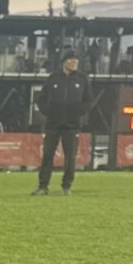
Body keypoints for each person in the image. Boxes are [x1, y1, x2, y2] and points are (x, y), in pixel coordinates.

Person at [36, 52, 96, 195]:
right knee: (47, 155)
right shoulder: (53, 78)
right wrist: (49, 112)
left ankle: (66, 186)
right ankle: (43, 186)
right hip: (53, 124)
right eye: (72, 60)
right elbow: (41, 99)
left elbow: (89, 100)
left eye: (76, 61)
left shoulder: (82, 79)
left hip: (72, 125)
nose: (75, 63)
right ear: (65, 62)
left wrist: (79, 112)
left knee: (70, 157)